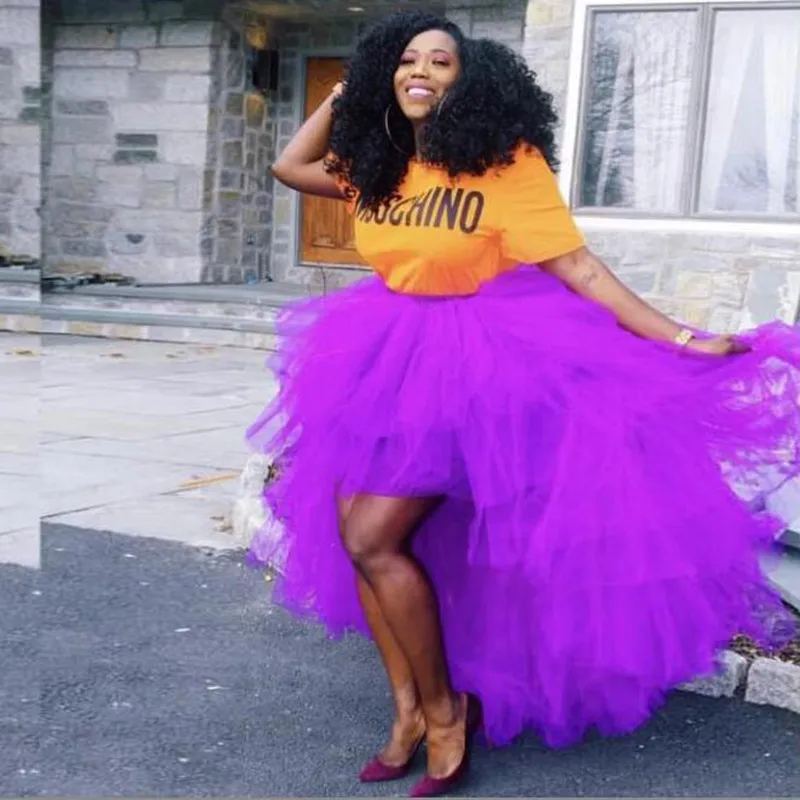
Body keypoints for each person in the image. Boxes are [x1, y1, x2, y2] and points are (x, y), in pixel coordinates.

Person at [246, 10, 799, 798]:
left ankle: (447, 712)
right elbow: (289, 166)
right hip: (379, 361)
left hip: (473, 369)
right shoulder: (380, 162)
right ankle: (408, 712)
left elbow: (579, 267)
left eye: (440, 62)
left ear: (467, 81)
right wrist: (348, 91)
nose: (421, 72)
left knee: (373, 536)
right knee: (354, 537)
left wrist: (679, 337)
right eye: (406, 60)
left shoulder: (505, 163)